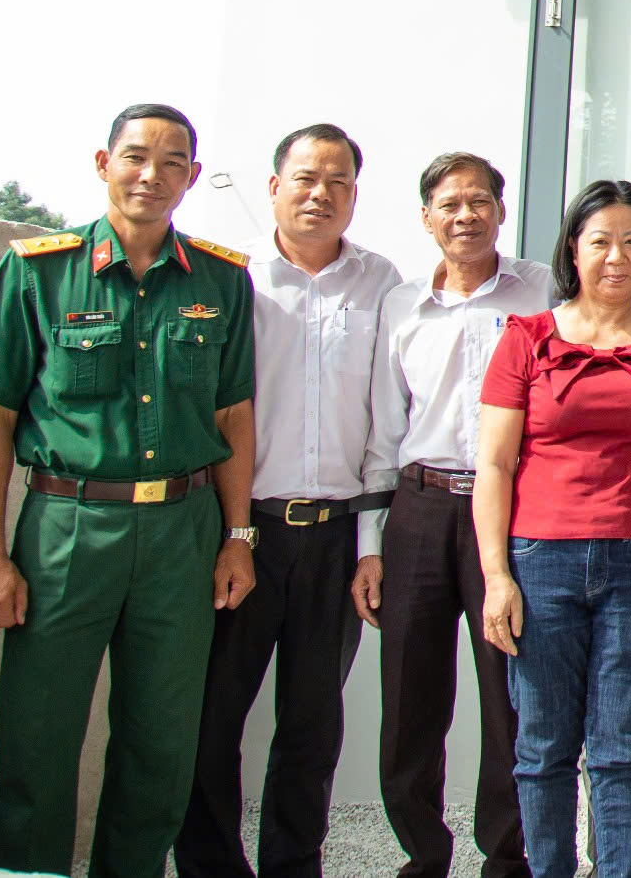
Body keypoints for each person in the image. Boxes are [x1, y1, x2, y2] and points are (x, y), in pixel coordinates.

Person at [0, 102, 259, 878]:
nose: (152, 174)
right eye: (136, 156)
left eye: (173, 161)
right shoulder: (38, 270)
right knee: (37, 738)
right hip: (67, 527)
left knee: (161, 747)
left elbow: (232, 415)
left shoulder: (222, 279)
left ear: (192, 175)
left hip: (183, 534)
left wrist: (237, 537)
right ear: (103, 163)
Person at [180, 123, 403, 878]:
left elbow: (385, 420)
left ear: (354, 195)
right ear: (275, 187)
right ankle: (210, 864)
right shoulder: (231, 278)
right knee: (215, 714)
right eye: (306, 178)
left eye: (338, 181)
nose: (320, 193)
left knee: (312, 725)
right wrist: (232, 530)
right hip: (244, 531)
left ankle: (292, 865)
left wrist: (370, 545)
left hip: (336, 535)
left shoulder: (380, 282)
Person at [476, 180, 631, 878]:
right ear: (573, 250)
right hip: (538, 560)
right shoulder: (525, 338)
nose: (617, 256)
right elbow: (494, 463)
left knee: (623, 749)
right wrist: (496, 575)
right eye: (601, 240)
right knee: (542, 747)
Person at [360, 151, 555, 878]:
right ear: (426, 217)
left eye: (479, 202)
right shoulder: (401, 304)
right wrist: (369, 540)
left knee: (511, 692)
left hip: (513, 507)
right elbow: (383, 427)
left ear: (502, 211)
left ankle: (506, 856)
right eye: (449, 204)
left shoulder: (542, 289)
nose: (465, 215)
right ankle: (421, 855)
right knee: (411, 694)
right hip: (419, 507)